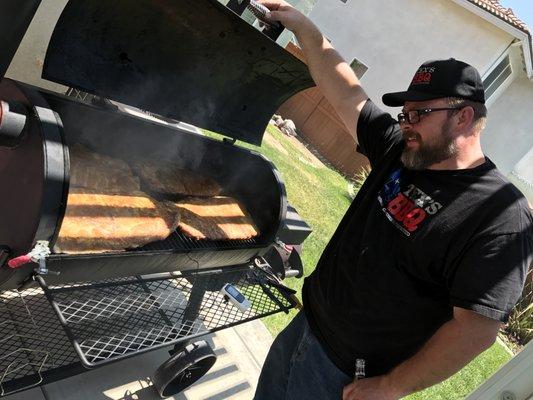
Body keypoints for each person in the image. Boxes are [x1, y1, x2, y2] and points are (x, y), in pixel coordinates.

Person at [253, 2, 533, 400]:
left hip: (345, 377)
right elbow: (344, 87)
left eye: (419, 114)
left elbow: (475, 330)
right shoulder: (399, 150)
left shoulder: (500, 216)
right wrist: (300, 23)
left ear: (464, 117)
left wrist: (391, 386)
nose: (406, 124)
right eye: (404, 114)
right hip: (305, 328)